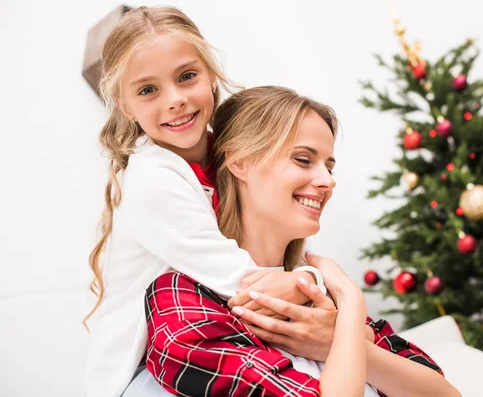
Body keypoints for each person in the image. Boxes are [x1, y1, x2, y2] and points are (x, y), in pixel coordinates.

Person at [136, 86, 461, 396]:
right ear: (240, 162)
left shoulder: (319, 288)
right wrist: (350, 303)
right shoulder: (182, 300)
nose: (327, 181)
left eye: (329, 166)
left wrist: (338, 337)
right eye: (304, 160)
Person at [83, 7, 325, 397]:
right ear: (126, 106)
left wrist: (303, 277)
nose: (175, 100)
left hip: (215, 340)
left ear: (210, 74)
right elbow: (244, 284)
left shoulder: (230, 153)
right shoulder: (153, 180)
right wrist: (312, 281)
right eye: (148, 90)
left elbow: (270, 254)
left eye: (186, 76)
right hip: (150, 368)